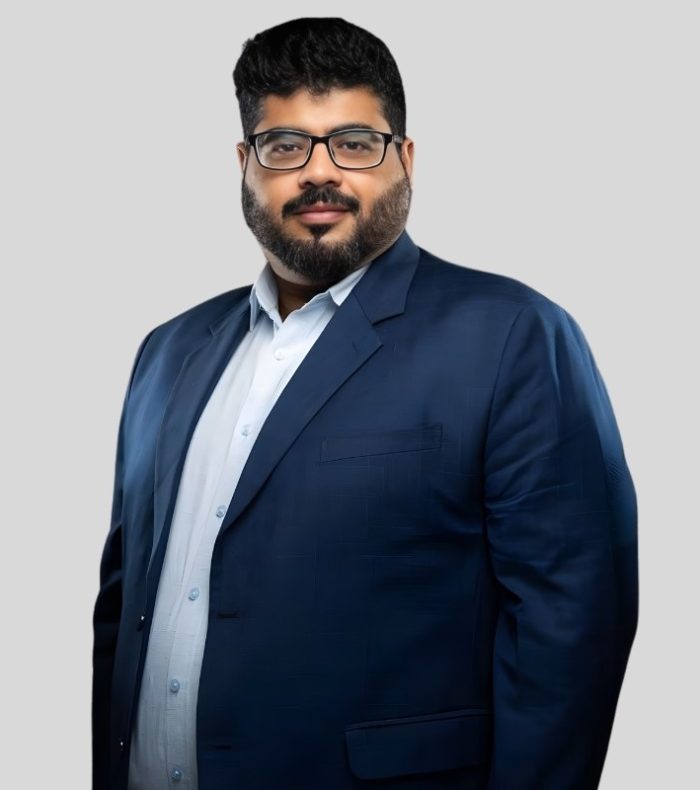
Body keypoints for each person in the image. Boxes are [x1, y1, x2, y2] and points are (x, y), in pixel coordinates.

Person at [92, 16, 638, 790]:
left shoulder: (510, 334)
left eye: (354, 143)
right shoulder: (168, 351)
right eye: (286, 145)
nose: (321, 172)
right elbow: (123, 608)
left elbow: (573, 623)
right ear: (246, 164)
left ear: (405, 160)